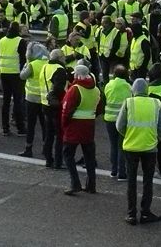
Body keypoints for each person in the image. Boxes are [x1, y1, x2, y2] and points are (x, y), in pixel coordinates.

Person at [116, 78, 161, 226]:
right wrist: (155, 138)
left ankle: (131, 214)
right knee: (147, 181)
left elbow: (119, 125)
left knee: (131, 181)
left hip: (131, 147)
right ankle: (145, 212)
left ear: (133, 90)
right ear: (147, 90)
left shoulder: (129, 102)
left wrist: (129, 135)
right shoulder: (156, 103)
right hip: (150, 148)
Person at [61, 65, 104, 195]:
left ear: (77, 75)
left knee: (68, 155)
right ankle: (91, 185)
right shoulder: (96, 90)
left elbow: (66, 110)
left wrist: (64, 125)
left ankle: (75, 184)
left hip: (74, 126)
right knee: (89, 157)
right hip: (89, 126)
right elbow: (100, 108)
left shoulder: (75, 89)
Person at [38, 50, 69, 167]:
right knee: (59, 135)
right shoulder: (59, 69)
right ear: (60, 58)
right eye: (64, 57)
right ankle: (58, 161)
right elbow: (59, 88)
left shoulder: (45, 66)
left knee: (49, 133)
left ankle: (48, 159)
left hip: (44, 103)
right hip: (56, 105)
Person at [20, 42, 49, 160]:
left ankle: (28, 148)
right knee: (44, 125)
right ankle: (45, 148)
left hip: (31, 98)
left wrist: (26, 64)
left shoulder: (32, 64)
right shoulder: (47, 64)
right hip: (43, 98)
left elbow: (22, 76)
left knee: (31, 125)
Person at [0, 22, 27, 136]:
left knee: (6, 102)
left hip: (4, 73)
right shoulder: (20, 41)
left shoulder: (1, 40)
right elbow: (24, 59)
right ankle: (20, 128)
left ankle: (5, 128)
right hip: (16, 74)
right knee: (17, 101)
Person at [104, 65, 132, 178]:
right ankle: (122, 173)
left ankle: (113, 170)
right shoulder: (128, 86)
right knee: (121, 146)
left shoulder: (108, 85)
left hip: (109, 118)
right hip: (122, 120)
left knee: (113, 145)